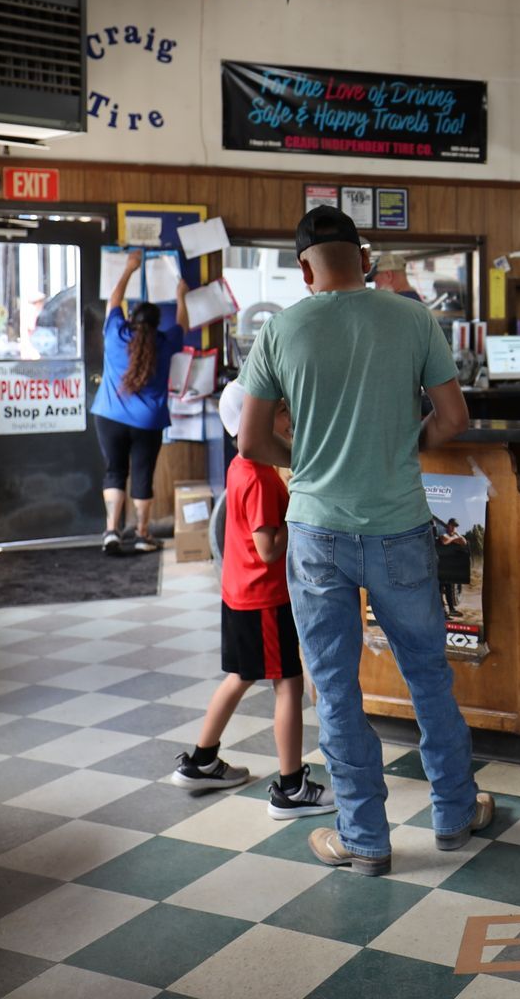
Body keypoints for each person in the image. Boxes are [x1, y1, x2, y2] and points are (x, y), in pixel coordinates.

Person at [236, 205, 491, 876]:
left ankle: (364, 838)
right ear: (362, 256)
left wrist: (307, 462)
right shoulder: (411, 317)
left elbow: (251, 441)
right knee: (428, 671)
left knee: (335, 685)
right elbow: (454, 417)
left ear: (304, 267)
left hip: (316, 529)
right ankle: (454, 813)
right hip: (399, 524)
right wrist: (403, 444)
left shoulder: (283, 328)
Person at [170, 390, 334, 820]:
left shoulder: (241, 466)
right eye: (281, 410)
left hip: (239, 593)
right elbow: (267, 548)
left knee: (240, 676)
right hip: (264, 598)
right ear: (252, 423)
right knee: (288, 685)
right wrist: (298, 508)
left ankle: (201, 760)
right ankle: (291, 787)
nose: (288, 416)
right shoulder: (261, 477)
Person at [95, 251, 188, 555]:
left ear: (132, 320)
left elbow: (113, 300)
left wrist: (129, 270)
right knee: (143, 475)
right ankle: (142, 534)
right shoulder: (165, 343)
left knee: (114, 471)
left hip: (109, 417)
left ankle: (111, 530)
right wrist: (181, 297)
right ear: (158, 325)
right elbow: (183, 325)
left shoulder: (116, 334)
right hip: (148, 422)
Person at [435, 517, 469, 616]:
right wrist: (454, 538)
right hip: (438, 565)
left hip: (447, 566)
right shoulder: (442, 531)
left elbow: (464, 542)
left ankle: (451, 609)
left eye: (455, 526)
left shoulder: (453, 533)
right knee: (440, 589)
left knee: (449, 588)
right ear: (448, 524)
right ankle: (442, 610)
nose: (453, 528)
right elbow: (444, 541)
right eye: (452, 525)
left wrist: (456, 535)